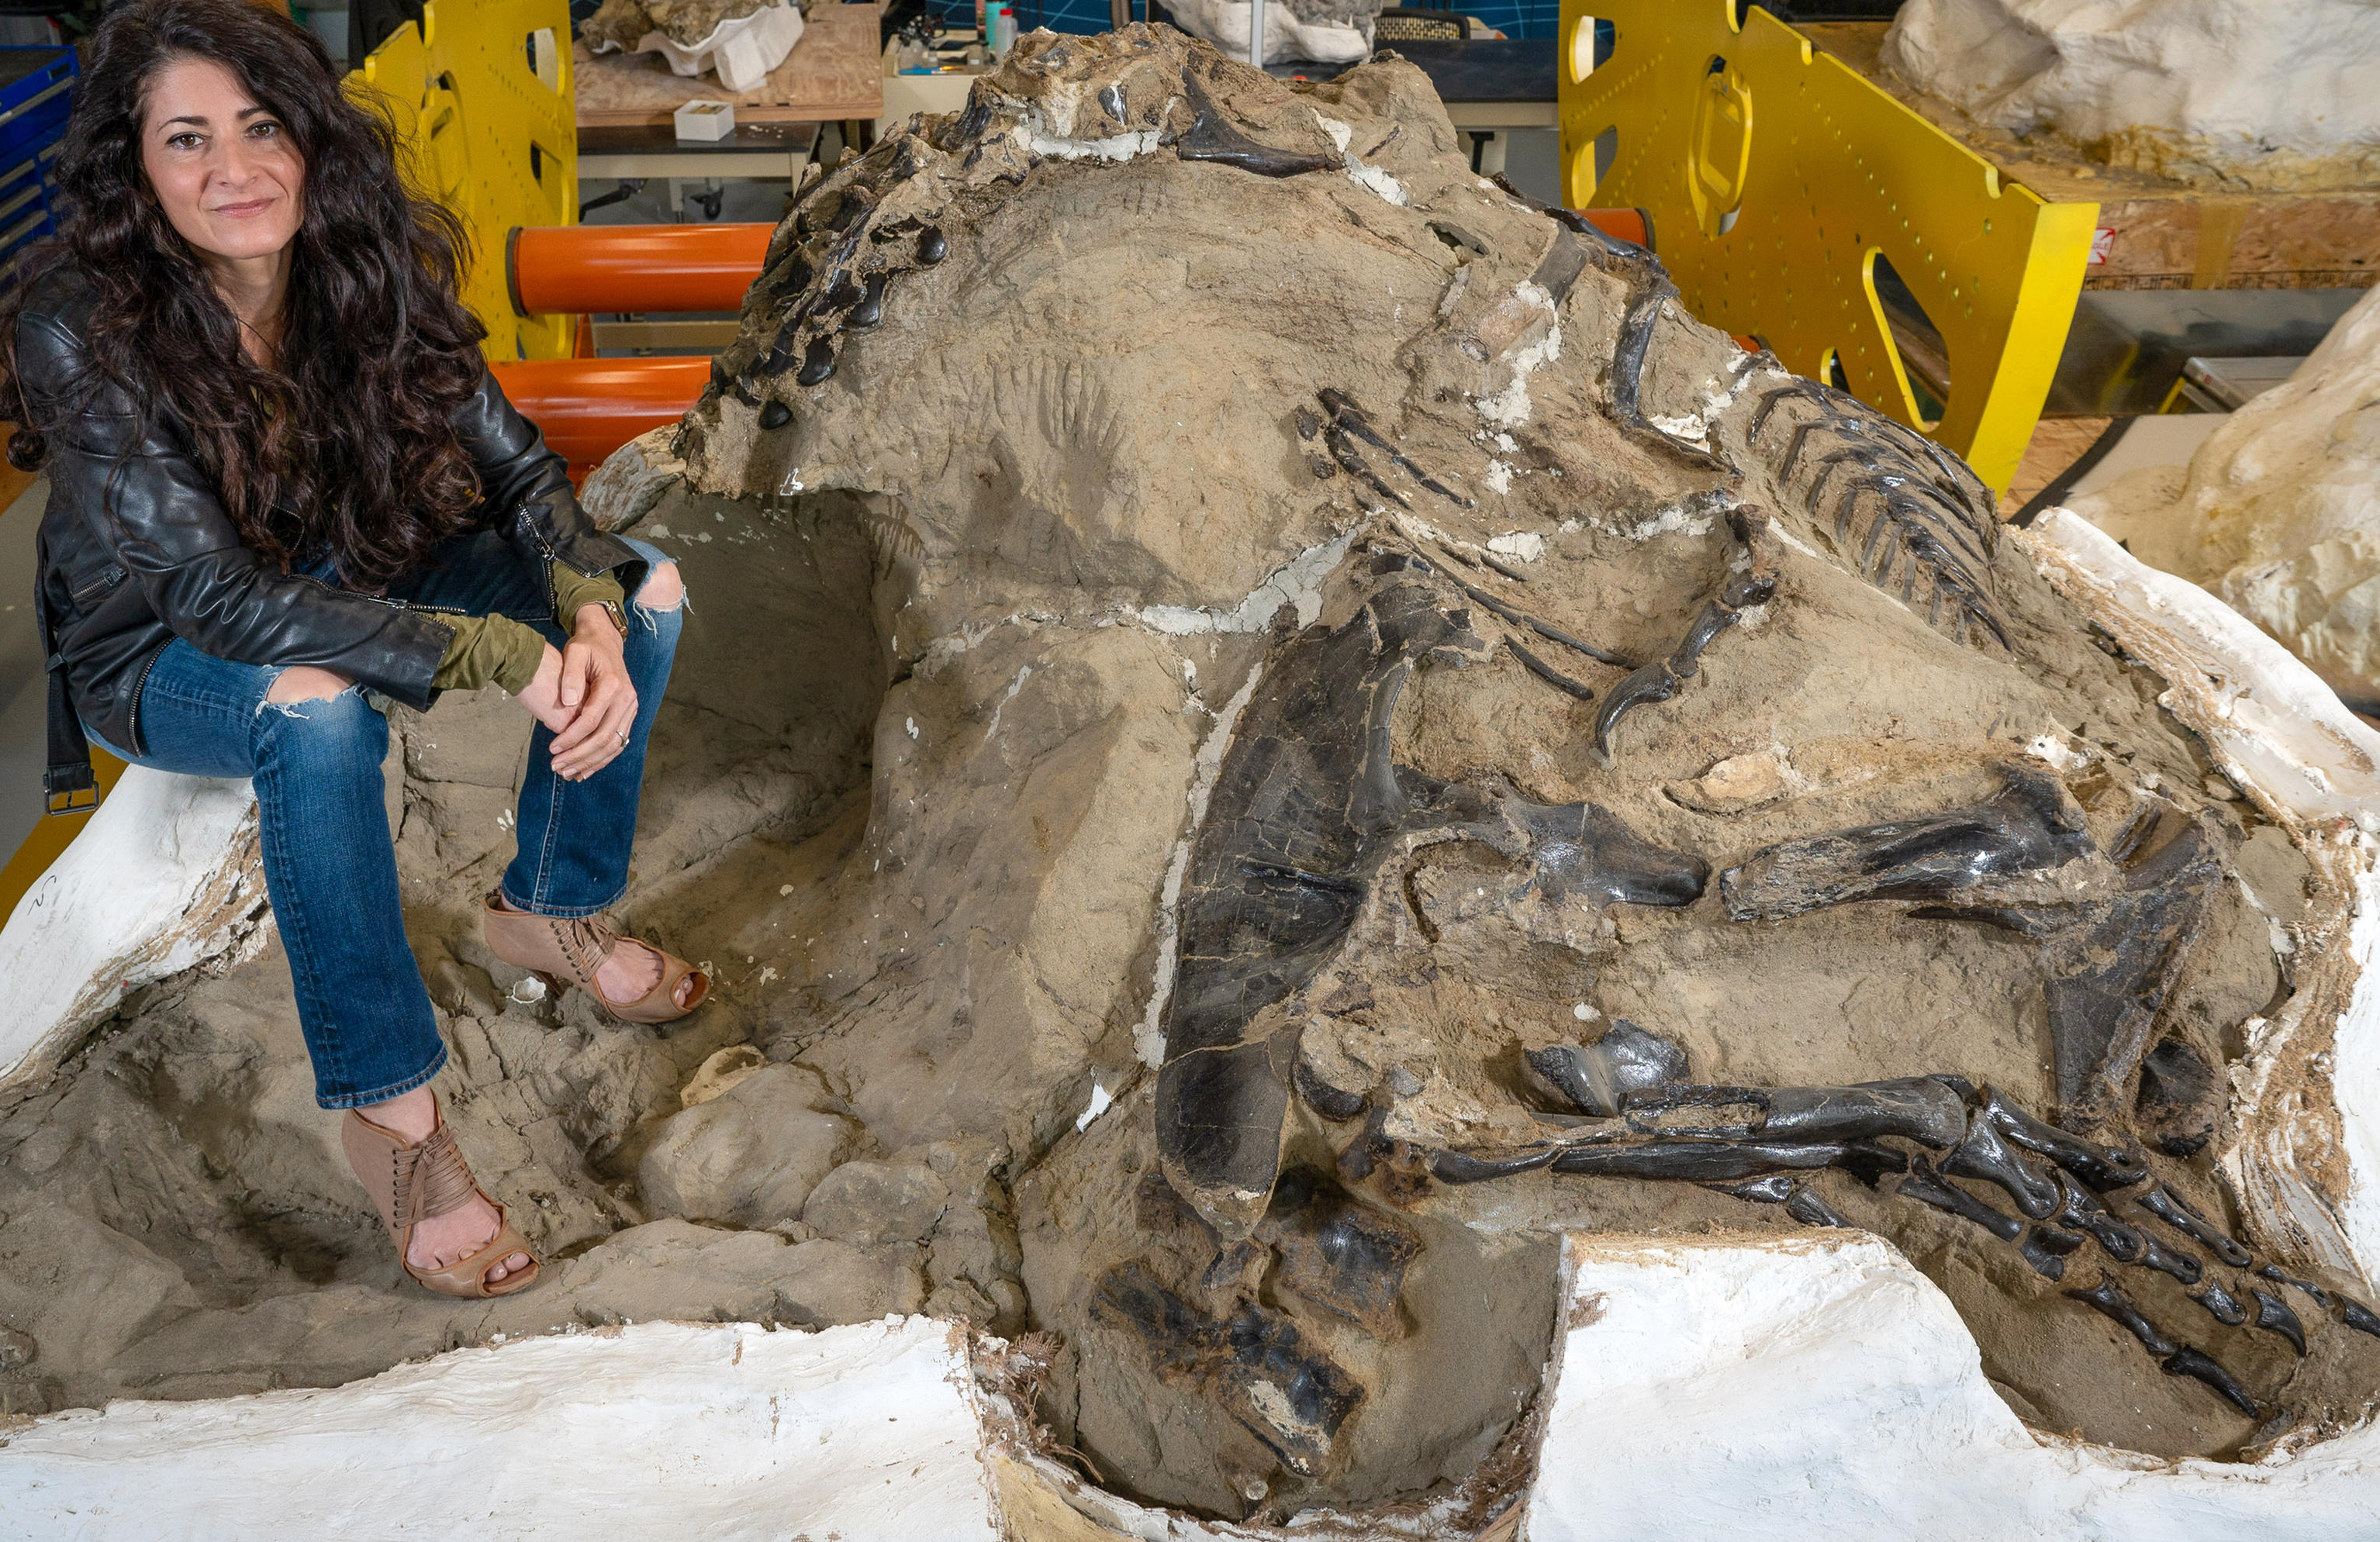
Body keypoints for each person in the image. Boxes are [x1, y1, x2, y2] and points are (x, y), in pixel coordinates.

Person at [4, 0, 709, 1301]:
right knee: (319, 709)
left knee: (649, 587)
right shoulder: (75, 319)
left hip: (353, 560)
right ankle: (395, 1120)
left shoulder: (361, 252)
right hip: (157, 642)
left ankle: (548, 909)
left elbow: (514, 466)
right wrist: (493, 659)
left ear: (310, 136)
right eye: (186, 140)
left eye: (261, 126)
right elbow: (216, 597)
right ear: (134, 170)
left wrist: (586, 608)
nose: (234, 169)